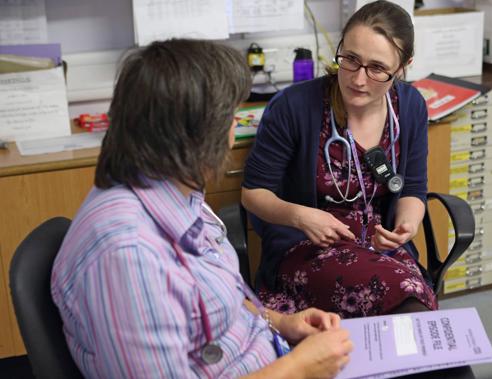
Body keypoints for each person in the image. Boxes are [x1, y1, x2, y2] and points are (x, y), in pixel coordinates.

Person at [50, 39, 353, 378]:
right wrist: (299, 368)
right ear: (195, 136)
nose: (234, 129)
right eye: (230, 118)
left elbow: (208, 297)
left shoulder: (170, 189)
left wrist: (280, 322)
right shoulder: (127, 255)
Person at [242, 0, 438, 318]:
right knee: (407, 298)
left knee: (412, 303)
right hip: (306, 247)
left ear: (404, 66)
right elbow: (253, 194)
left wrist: (406, 226)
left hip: (381, 248)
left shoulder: (410, 106)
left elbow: (413, 189)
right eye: (350, 59)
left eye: (377, 68)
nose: (358, 79)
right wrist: (302, 217)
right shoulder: (294, 107)